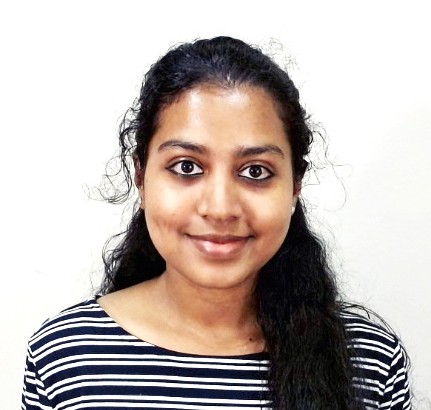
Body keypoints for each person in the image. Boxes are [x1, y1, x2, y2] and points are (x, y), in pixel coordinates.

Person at [22, 36, 411, 410]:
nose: (220, 208)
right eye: (186, 167)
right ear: (141, 178)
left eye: (255, 171)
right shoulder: (65, 356)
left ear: (295, 186)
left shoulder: (368, 361)